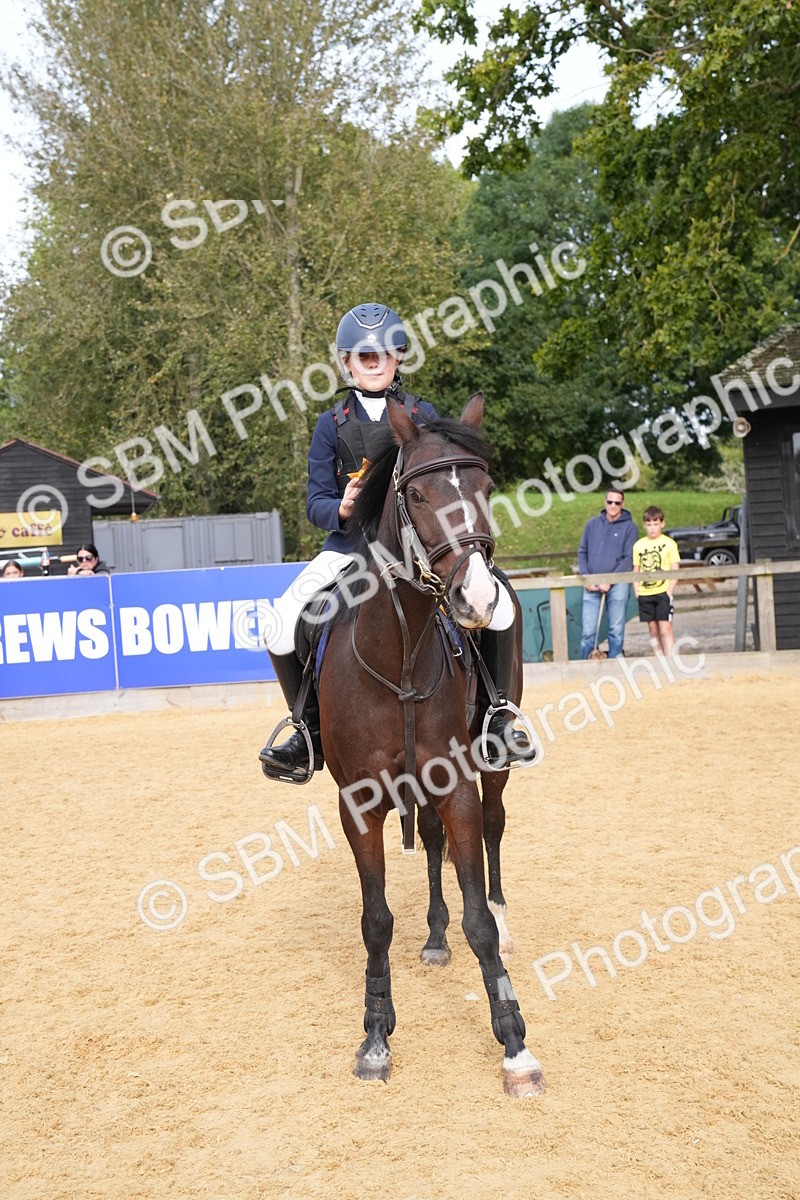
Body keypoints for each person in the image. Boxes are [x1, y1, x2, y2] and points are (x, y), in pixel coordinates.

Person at [258, 302, 535, 780]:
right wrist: (341, 507)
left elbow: (447, 478)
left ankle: (496, 716)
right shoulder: (331, 424)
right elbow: (314, 501)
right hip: (350, 549)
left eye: (382, 353)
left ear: (399, 358)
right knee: (281, 623)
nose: (373, 361)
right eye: (362, 355)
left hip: (418, 552)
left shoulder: (421, 414)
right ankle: (306, 732)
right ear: (346, 362)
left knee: (503, 607)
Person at [578, 488, 638, 659]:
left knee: (616, 629)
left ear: (622, 504)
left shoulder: (630, 527)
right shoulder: (592, 524)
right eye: (610, 501)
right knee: (588, 631)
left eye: (617, 502)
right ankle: (584, 665)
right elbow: (582, 552)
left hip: (617, 584)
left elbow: (629, 558)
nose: (613, 505)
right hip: (592, 583)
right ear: (605, 502)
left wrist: (609, 580)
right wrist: (586, 577)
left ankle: (615, 662)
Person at [632, 507, 680, 656]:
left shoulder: (669, 544)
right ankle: (658, 658)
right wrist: (637, 592)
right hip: (646, 592)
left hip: (662, 592)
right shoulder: (638, 545)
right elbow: (636, 570)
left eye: (655, 524)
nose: (652, 528)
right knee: (653, 630)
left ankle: (670, 659)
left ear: (662, 524)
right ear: (644, 525)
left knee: (665, 628)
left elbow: (675, 569)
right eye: (649, 524)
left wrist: (668, 592)